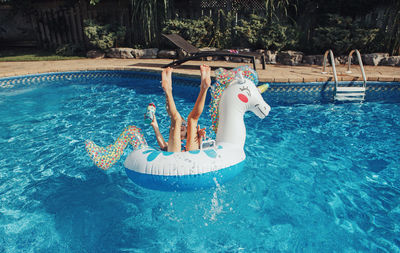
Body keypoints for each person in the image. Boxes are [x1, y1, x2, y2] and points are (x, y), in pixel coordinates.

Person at [149, 65, 211, 152]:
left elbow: (200, 148)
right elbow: (163, 145)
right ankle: (203, 88)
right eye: (182, 124)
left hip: (189, 151)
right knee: (191, 119)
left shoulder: (188, 140)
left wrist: (199, 136)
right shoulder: (170, 143)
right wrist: (155, 126)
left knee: (178, 119)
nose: (182, 126)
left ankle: (168, 90)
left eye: (184, 125)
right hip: (179, 153)